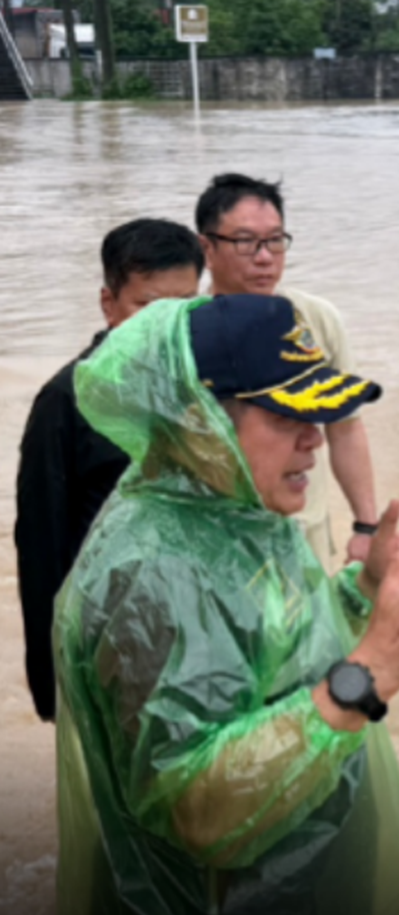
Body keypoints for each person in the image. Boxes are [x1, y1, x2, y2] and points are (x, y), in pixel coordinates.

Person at [53, 292, 399, 915]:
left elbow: (275, 652)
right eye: (289, 412)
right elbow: (194, 807)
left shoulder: (236, 514)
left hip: (298, 908)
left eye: (320, 411)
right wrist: (371, 673)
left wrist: (365, 591)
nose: (316, 436)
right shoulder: (150, 572)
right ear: (200, 416)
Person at [15, 218, 204, 722]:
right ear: (108, 303)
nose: (165, 323)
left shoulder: (206, 391)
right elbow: (42, 545)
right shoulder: (64, 402)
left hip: (195, 627)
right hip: (107, 635)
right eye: (147, 306)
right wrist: (50, 678)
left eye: (184, 304)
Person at [195, 173, 377, 567]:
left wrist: (366, 527)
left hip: (302, 537)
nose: (264, 257)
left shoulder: (316, 319)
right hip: (218, 542)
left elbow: (345, 428)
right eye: (245, 242)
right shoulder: (186, 333)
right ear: (206, 248)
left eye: (275, 240)